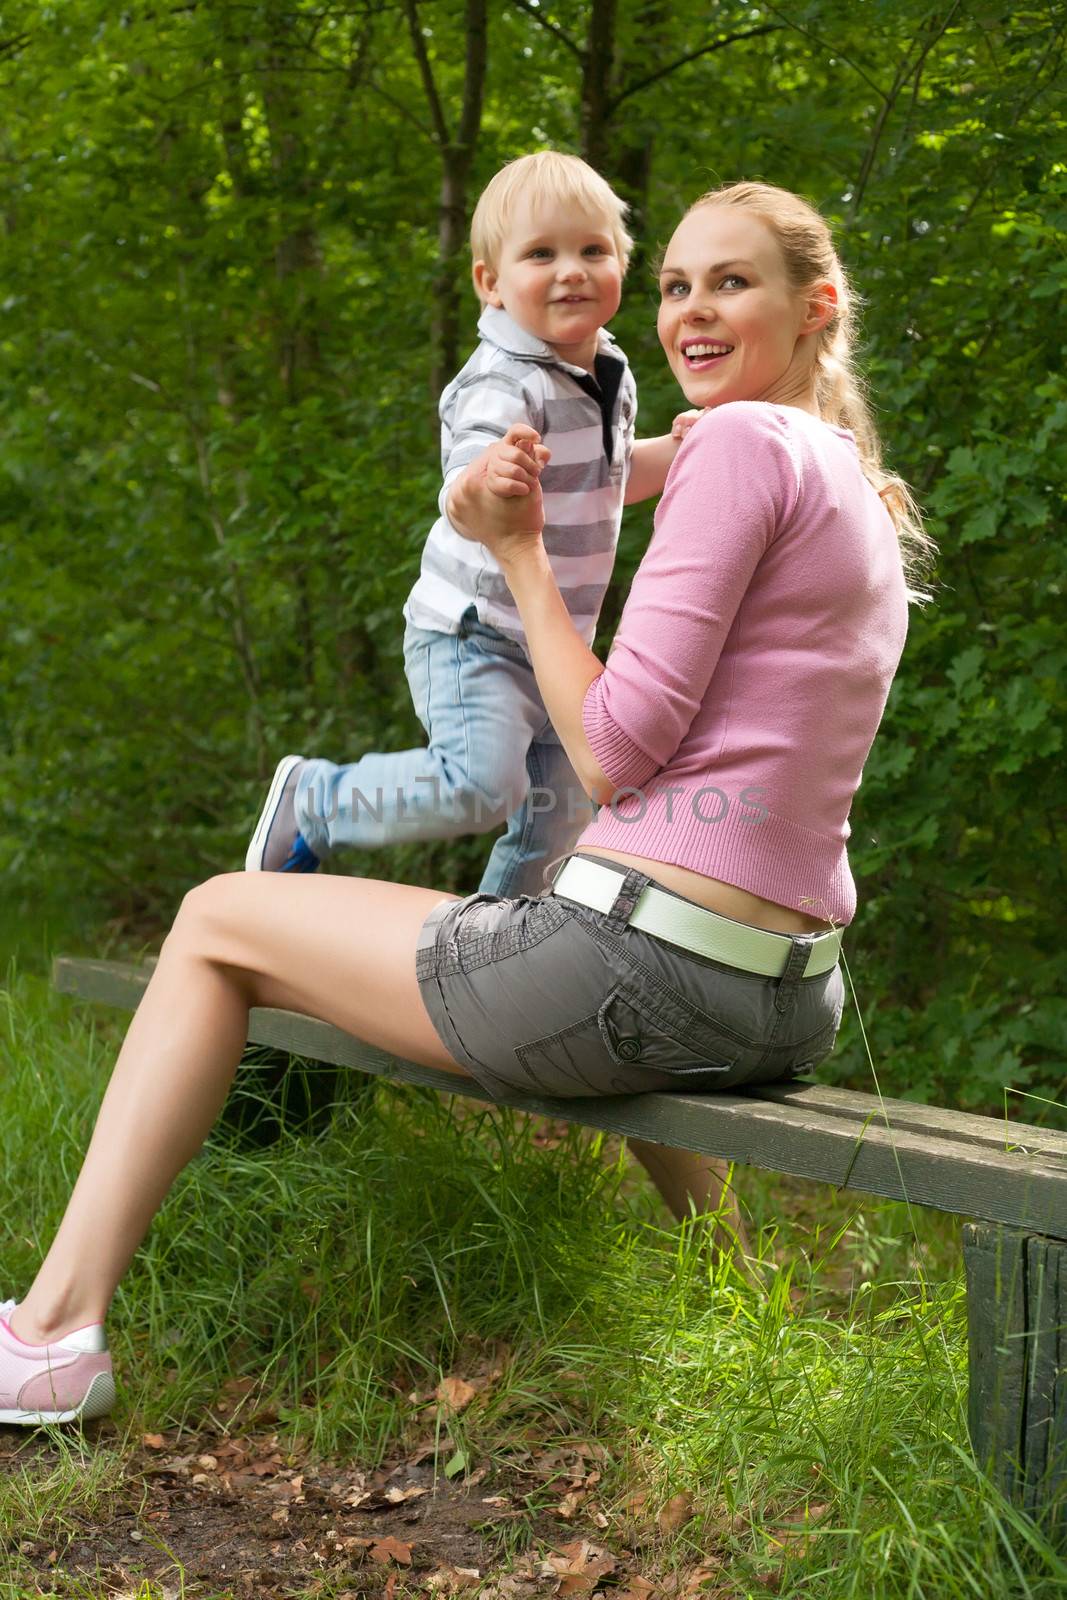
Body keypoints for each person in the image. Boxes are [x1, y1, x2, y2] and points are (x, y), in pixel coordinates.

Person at [0, 181, 930, 1426]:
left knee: (221, 916)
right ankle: (738, 1298)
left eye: (730, 282)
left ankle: (53, 1329)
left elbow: (607, 752)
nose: (689, 311)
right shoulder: (845, 476)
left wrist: (522, 555)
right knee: (548, 898)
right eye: (674, 285)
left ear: (815, 306)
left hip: (643, 972)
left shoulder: (734, 448)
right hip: (786, 997)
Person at [245, 151, 693, 897]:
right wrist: (490, 477)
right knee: (482, 788)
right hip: (475, 631)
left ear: (622, 263)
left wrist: (682, 453)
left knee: (560, 818)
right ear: (490, 283)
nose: (571, 271)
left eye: (592, 251)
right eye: (540, 254)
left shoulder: (610, 369)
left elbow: (611, 481)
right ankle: (315, 800)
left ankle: (494, 950)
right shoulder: (502, 377)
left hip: (554, 643)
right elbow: (463, 490)